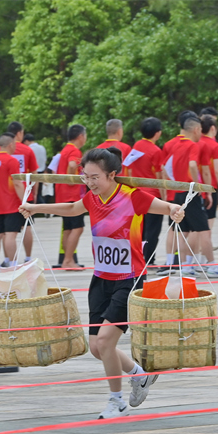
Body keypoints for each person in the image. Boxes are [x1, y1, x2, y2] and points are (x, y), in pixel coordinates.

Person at [19, 147, 185, 419]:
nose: (90, 182)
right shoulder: (92, 199)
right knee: (96, 347)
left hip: (129, 279)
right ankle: (138, 375)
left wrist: (176, 209)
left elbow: (166, 207)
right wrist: (35, 208)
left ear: (112, 175)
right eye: (86, 177)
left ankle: (116, 401)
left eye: (95, 177)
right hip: (101, 279)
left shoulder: (132, 198)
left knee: (106, 341)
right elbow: (73, 208)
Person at [165, 115, 218, 278]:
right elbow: (193, 165)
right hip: (191, 192)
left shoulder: (176, 146)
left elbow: (167, 168)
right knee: (204, 230)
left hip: (178, 192)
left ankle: (185, 266)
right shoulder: (193, 145)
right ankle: (211, 264)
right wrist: (198, 186)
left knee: (184, 231)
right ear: (196, 129)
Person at [126, 117, 165, 268]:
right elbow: (159, 176)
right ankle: (149, 259)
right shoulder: (156, 150)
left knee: (139, 228)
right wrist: (164, 196)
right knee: (152, 231)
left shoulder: (136, 146)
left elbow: (128, 168)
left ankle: (137, 256)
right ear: (157, 133)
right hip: (152, 194)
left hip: (136, 193)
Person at [0, 134, 26, 268]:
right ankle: (13, 263)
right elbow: (17, 183)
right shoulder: (12, 161)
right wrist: (24, 201)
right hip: (11, 204)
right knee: (10, 235)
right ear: (10, 145)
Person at [55, 124, 88, 269]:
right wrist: (71, 179)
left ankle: (66, 260)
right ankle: (68, 260)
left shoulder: (64, 150)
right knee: (78, 228)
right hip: (72, 195)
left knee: (68, 229)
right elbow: (72, 164)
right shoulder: (74, 151)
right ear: (81, 136)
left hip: (62, 195)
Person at [198, 115, 218, 236]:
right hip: (210, 186)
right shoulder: (214, 146)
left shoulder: (195, 142)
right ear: (213, 128)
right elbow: (217, 170)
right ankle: (204, 252)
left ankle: (193, 253)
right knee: (207, 226)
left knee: (196, 226)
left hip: (195, 185)